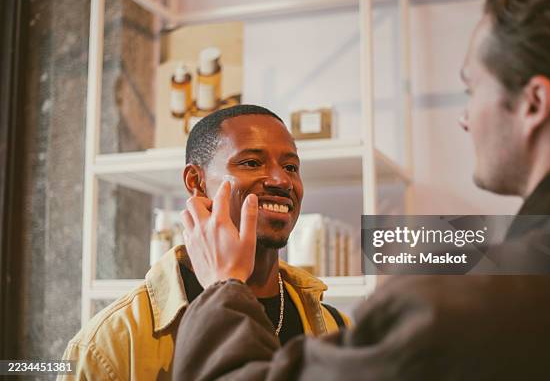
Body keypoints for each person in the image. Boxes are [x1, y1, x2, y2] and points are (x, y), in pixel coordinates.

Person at [172, 0, 550, 379]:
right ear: (195, 182)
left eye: (471, 89)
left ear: (533, 103)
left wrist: (224, 287)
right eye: (251, 162)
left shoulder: (450, 309)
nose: (464, 118)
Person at [60, 105, 349, 380]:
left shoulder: (335, 327)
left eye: (290, 167)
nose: (281, 181)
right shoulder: (108, 345)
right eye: (251, 162)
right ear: (196, 182)